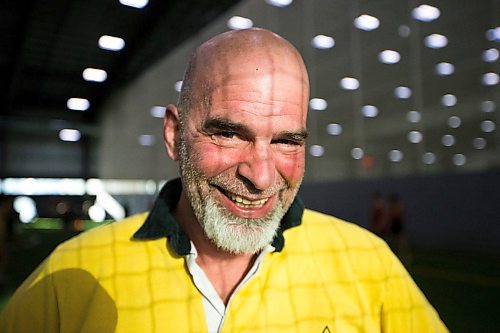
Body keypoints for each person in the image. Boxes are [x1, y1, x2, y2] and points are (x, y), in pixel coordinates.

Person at [0, 28, 448, 332]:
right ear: (175, 135)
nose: (261, 174)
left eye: (287, 141)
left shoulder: (369, 263)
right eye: (229, 133)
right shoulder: (71, 274)